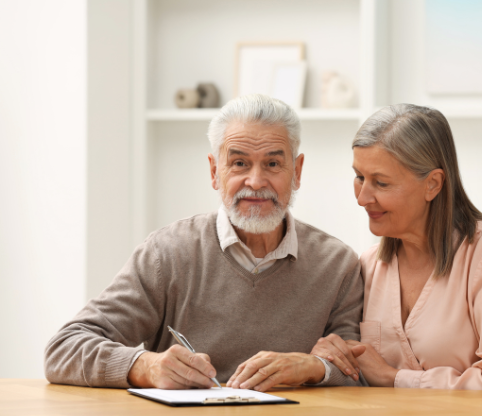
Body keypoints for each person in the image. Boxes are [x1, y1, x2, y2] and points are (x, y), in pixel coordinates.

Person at [44, 94, 363, 391]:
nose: (255, 181)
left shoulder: (337, 264)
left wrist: (314, 367)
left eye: (272, 164)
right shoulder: (166, 253)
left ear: (297, 171)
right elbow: (63, 349)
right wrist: (145, 366)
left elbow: (356, 372)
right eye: (239, 163)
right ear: (214, 171)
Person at [311, 104, 482, 392]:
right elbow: (354, 369)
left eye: (381, 183)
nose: (362, 198)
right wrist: (330, 351)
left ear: (433, 184)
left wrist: (393, 377)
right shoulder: (368, 265)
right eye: (359, 177)